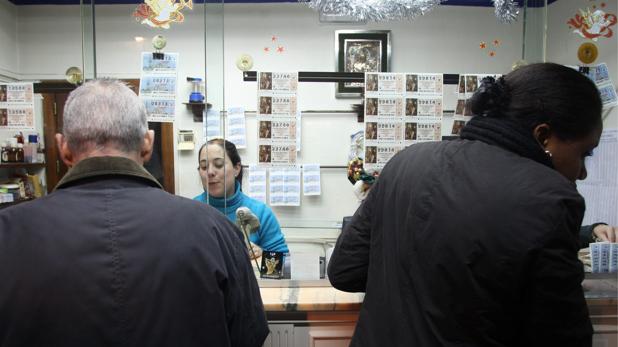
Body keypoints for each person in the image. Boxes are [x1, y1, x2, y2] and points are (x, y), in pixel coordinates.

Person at [328, 63, 603, 346]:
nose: (582, 172)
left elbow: (345, 271)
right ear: (543, 135)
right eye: (585, 153)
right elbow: (564, 336)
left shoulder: (407, 161)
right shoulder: (550, 197)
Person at [0, 79, 268, 347]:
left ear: (64, 148)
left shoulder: (8, 233)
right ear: (147, 144)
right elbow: (249, 336)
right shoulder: (215, 230)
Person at [194, 138, 289, 259]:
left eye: (219, 165)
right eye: (203, 167)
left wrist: (262, 255)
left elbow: (284, 262)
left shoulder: (261, 212)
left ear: (236, 169)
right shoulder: (190, 211)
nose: (210, 172)